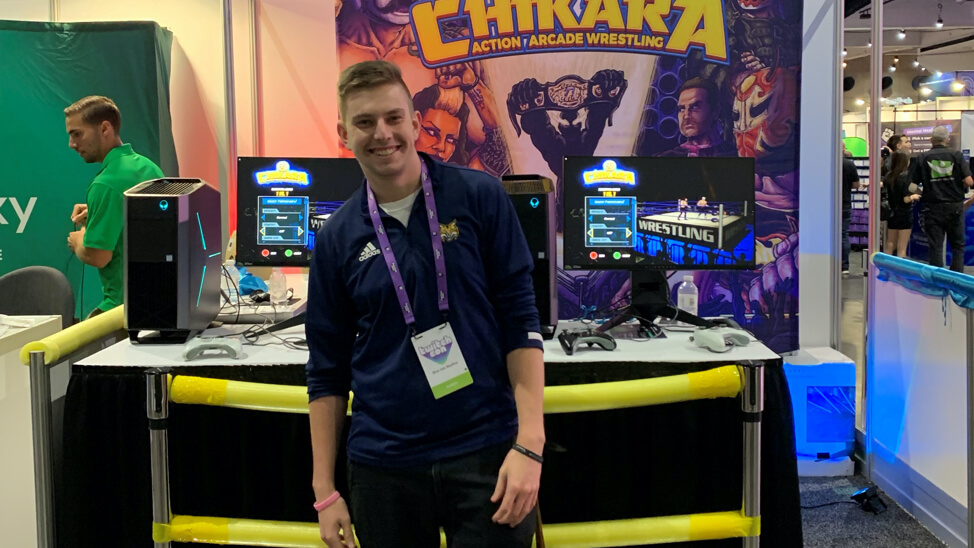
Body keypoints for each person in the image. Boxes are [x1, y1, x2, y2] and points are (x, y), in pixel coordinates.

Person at [306, 60, 545, 548]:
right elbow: (326, 369)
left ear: (415, 123)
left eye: (393, 117)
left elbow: (521, 322)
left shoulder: (480, 197)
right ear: (344, 133)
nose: (382, 133)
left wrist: (531, 444)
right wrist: (324, 491)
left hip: (486, 451)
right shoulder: (335, 238)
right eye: (365, 121)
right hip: (384, 464)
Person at [65, 96, 164, 318]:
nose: (72, 144)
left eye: (77, 134)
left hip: (122, 309)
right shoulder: (148, 167)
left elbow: (98, 256)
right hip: (157, 300)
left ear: (104, 128)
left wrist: (79, 240)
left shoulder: (105, 184)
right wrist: (97, 211)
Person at [911, 126, 974, 272]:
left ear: (931, 140)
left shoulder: (922, 158)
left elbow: (911, 186)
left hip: (932, 207)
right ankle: (956, 279)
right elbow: (969, 181)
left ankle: (937, 280)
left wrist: (924, 192)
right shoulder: (956, 156)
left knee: (935, 246)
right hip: (954, 207)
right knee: (957, 246)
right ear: (948, 139)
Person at [656, 78, 736, 158]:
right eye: (682, 109)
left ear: (715, 111)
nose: (686, 116)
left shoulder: (734, 155)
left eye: (694, 107)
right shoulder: (666, 157)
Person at [884, 151, 920, 257]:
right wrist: (913, 196)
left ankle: (885, 265)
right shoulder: (906, 177)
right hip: (904, 214)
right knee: (902, 247)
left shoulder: (888, 176)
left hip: (891, 213)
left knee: (890, 243)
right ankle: (900, 266)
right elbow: (905, 199)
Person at [841, 142, 860, 274]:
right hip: (845, 203)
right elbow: (856, 185)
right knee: (843, 235)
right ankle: (844, 266)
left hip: (828, 204)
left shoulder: (825, 163)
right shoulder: (849, 164)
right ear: (843, 149)